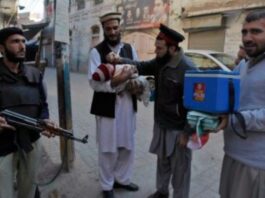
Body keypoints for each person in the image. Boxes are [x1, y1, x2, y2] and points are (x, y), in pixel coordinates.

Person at [107, 24, 195, 198]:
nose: (155, 51)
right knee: (162, 162)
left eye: (159, 48)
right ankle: (162, 192)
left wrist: (187, 133)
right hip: (161, 124)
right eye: (155, 47)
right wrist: (119, 60)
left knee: (180, 170)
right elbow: (140, 65)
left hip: (178, 130)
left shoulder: (187, 68)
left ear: (172, 48)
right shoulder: (160, 62)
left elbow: (196, 105)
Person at [87, 12, 139, 198]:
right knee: (108, 148)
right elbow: (93, 82)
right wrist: (117, 81)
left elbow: (138, 71)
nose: (112, 31)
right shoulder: (96, 52)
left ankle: (122, 180)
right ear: (104, 30)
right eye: (108, 29)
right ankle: (107, 186)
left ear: (120, 28)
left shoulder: (130, 49)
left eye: (115, 28)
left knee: (127, 145)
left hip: (127, 105)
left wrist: (136, 84)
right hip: (106, 107)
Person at [0, 27, 56, 198]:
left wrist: (45, 120)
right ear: (2, 48)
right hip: (2, 146)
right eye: (15, 42)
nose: (22, 46)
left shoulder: (34, 73)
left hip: (31, 141)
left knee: (28, 191)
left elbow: (42, 104)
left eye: (23, 41)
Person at [214, 10, 265, 198]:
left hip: (257, 165)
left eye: (256, 31)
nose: (247, 38)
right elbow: (228, 98)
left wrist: (234, 119)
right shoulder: (243, 65)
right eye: (244, 32)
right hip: (233, 156)